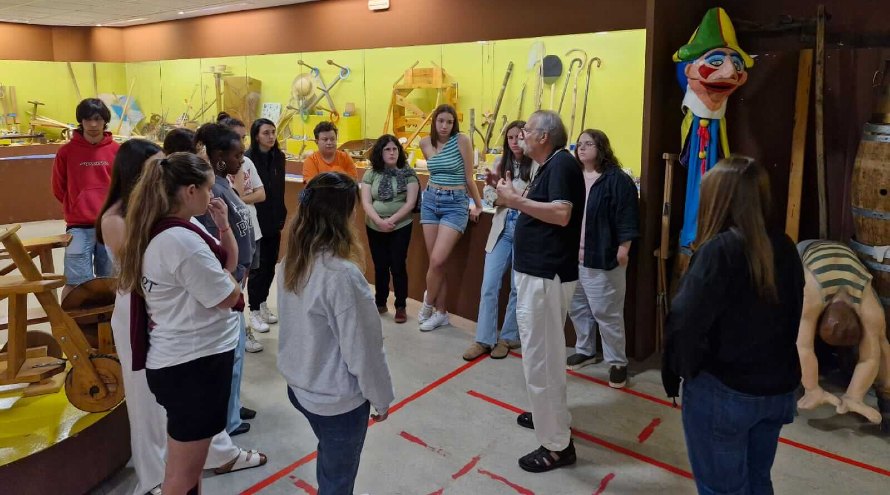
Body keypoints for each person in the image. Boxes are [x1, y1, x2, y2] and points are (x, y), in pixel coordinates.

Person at [97, 141, 266, 495]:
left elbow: (221, 267)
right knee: (173, 456)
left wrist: (223, 233)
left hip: (190, 345)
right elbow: (226, 294)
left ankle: (210, 457)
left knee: (187, 454)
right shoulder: (168, 235)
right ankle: (151, 478)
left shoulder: (173, 226)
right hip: (183, 352)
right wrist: (228, 286)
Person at [663, 156, 804, 495]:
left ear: (719, 198)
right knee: (757, 481)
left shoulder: (719, 251)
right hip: (776, 390)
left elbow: (684, 321)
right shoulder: (784, 245)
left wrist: (678, 371)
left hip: (726, 392)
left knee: (722, 489)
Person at [277, 172, 395, 495]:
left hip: (300, 386)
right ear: (345, 216)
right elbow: (365, 350)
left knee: (330, 455)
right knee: (338, 479)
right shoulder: (343, 277)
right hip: (336, 402)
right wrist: (381, 397)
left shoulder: (291, 261)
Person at [494, 110, 585, 473]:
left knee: (542, 359)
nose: (521, 137)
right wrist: (513, 194)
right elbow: (545, 208)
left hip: (546, 277)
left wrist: (515, 201)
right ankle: (550, 417)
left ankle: (557, 446)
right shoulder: (549, 167)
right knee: (542, 356)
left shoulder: (562, 165)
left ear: (544, 136)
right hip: (539, 275)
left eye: (527, 131)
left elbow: (562, 214)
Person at [194, 123, 257, 436]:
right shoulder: (212, 189)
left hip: (238, 276)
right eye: (237, 154)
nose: (241, 160)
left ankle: (233, 404)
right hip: (228, 280)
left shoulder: (225, 184)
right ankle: (228, 419)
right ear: (219, 156)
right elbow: (215, 239)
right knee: (231, 351)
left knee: (237, 349)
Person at [566, 129, 639, 388]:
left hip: (604, 257)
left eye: (589, 144)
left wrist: (624, 248)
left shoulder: (617, 180)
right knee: (578, 308)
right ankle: (585, 350)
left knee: (606, 312)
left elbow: (627, 215)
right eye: (579, 144)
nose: (582, 148)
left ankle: (617, 361)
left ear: (602, 147)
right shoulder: (573, 176)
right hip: (572, 258)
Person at [796, 239, 890, 426]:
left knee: (881, 341)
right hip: (808, 250)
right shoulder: (811, 294)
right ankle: (788, 386)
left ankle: (887, 397)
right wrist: (812, 388)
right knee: (790, 325)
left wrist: (854, 395)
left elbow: (870, 357)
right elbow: (803, 346)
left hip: (846, 260)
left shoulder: (869, 310)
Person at [463, 120, 535, 361]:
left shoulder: (536, 166)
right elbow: (491, 197)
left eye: (520, 137)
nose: (515, 142)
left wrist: (510, 196)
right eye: (511, 137)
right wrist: (511, 198)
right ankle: (484, 339)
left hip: (525, 233)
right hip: (501, 230)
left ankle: (508, 337)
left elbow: (531, 197)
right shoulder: (499, 163)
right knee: (489, 285)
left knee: (517, 288)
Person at [417, 104, 484, 331]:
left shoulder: (462, 141)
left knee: (437, 260)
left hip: (455, 203)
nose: (445, 126)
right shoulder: (425, 143)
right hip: (431, 200)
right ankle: (441, 313)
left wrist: (478, 204)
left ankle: (428, 302)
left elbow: (468, 176)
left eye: (449, 122)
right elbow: (433, 172)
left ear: (454, 124)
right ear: (434, 122)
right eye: (441, 121)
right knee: (437, 263)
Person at [51, 98, 119, 298]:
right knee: (75, 283)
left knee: (111, 282)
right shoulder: (66, 152)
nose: (93, 125)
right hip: (78, 227)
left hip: (109, 226)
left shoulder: (116, 150)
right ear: (80, 121)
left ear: (104, 121)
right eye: (87, 119)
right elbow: (58, 188)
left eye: (98, 119)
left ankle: (110, 327)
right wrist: (76, 204)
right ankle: (71, 328)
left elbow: (124, 187)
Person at [218, 113, 269, 346]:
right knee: (231, 284)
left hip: (252, 229)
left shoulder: (246, 162)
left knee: (244, 284)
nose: (242, 145)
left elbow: (261, 193)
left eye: (244, 138)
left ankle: (243, 325)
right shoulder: (223, 169)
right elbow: (237, 197)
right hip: (230, 234)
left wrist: (243, 197)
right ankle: (238, 331)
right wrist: (238, 175)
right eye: (237, 139)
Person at [360, 134, 419, 323]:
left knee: (398, 265)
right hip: (374, 225)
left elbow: (410, 203)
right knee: (380, 265)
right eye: (387, 149)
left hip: (400, 225)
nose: (392, 152)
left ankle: (400, 305)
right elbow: (367, 202)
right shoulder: (371, 174)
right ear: (380, 152)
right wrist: (378, 221)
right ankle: (380, 302)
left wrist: (390, 221)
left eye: (395, 149)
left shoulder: (409, 173)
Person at [245, 118, 287, 334]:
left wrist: (282, 213)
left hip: (274, 220)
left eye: (273, 132)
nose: (271, 136)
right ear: (256, 136)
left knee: (271, 265)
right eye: (266, 133)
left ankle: (262, 304)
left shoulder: (279, 157)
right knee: (257, 268)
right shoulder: (247, 159)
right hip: (256, 221)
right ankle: (252, 309)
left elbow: (279, 190)